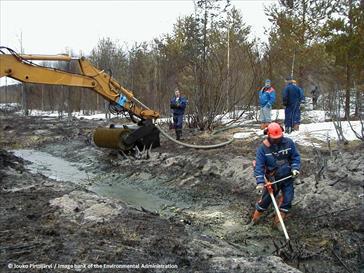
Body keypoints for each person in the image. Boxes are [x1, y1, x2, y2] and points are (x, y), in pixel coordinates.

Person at [251, 122, 301, 227]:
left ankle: (278, 223)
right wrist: (260, 182)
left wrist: (295, 168)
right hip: (273, 179)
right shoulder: (263, 149)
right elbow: (259, 166)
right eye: (275, 138)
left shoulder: (289, 143)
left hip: (287, 176)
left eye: (279, 137)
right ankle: (254, 220)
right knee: (265, 201)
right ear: (268, 135)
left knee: (287, 199)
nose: (277, 140)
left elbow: (295, 157)